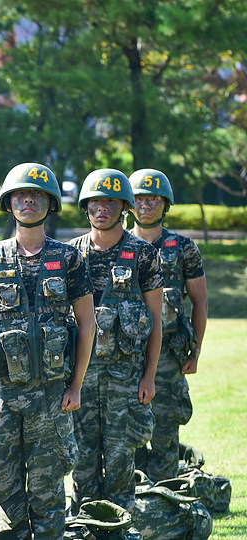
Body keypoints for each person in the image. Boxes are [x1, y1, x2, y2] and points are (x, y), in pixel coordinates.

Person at [0, 163, 95, 539]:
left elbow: (87, 323)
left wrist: (75, 386)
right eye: (21, 195)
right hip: (3, 395)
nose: (28, 200)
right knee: (6, 488)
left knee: (47, 489)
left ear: (51, 204)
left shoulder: (70, 258)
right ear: (8, 204)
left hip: (51, 393)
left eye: (38, 194)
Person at [68, 168, 163, 523]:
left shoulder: (143, 254)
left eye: (110, 201)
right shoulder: (70, 254)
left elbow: (156, 323)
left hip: (125, 377)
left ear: (124, 206)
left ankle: (121, 526)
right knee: (81, 461)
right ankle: (84, 525)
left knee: (122, 461)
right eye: (95, 201)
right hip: (82, 376)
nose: (102, 208)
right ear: (86, 206)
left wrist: (149, 376)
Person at [128, 169, 207, 481]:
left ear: (166, 203)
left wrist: (196, 352)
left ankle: (165, 502)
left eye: (154, 199)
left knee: (165, 429)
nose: (146, 205)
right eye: (139, 199)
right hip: (124, 355)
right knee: (125, 430)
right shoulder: (115, 245)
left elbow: (199, 301)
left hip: (169, 357)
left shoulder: (183, 247)